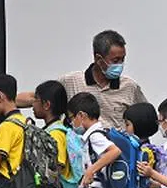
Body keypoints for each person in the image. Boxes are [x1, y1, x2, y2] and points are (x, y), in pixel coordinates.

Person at [16, 30, 147, 131]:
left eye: (122, 60)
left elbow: (145, 117)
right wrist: (8, 103)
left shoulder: (129, 87)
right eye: (115, 61)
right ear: (98, 59)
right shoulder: (71, 81)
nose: (120, 65)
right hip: (77, 155)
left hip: (114, 155)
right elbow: (37, 97)